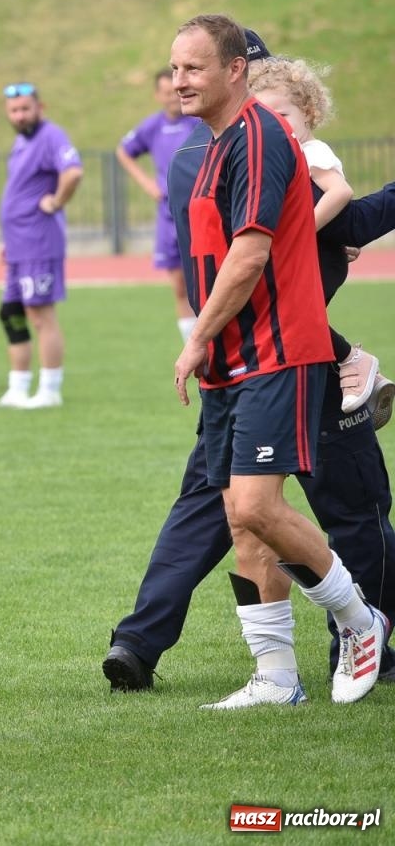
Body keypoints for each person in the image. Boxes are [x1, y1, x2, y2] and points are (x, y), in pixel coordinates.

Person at [103, 43, 395, 697]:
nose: (269, 122)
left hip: (274, 362)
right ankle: (294, 660)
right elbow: (250, 258)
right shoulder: (224, 163)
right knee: (255, 512)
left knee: (263, 509)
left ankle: (352, 638)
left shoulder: (237, 161)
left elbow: (287, 246)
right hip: (256, 364)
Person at [247, 55, 392, 421]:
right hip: (314, 252)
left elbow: (340, 193)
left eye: (284, 115)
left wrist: (302, 234)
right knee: (293, 324)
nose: (277, 125)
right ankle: (356, 381)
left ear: (308, 112)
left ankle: (353, 363)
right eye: (268, 117)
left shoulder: (311, 152)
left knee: (291, 317)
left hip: (316, 259)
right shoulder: (282, 153)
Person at [0, 83, 83, 409]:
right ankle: (18, 387)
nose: (20, 115)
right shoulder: (21, 141)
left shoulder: (51, 136)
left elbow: (72, 172)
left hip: (39, 243)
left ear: (40, 107)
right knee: (12, 313)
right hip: (18, 245)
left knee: (41, 315)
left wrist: (57, 201)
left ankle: (49, 389)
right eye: (14, 110)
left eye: (25, 109)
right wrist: (7, 240)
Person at [115, 68, 202, 342]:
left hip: (199, 215)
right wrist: (147, 183)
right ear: (158, 95)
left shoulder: (199, 122)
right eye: (165, 93)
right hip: (167, 217)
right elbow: (123, 151)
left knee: (207, 283)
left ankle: (214, 340)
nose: (172, 98)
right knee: (179, 287)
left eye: (174, 91)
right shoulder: (152, 126)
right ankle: (193, 346)